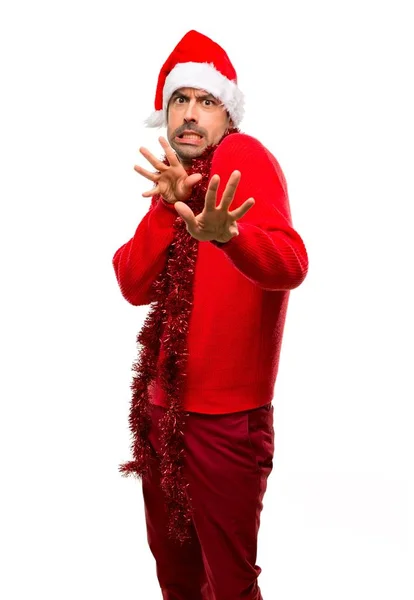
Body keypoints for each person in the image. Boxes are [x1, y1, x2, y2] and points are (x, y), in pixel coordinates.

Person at [112, 29, 309, 600]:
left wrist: (232, 236)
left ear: (228, 116)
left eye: (206, 101)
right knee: (175, 577)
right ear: (165, 115)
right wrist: (166, 213)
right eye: (180, 100)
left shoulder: (245, 159)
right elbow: (131, 283)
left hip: (225, 422)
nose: (191, 114)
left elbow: (292, 262)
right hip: (160, 411)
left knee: (229, 584)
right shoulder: (174, 178)